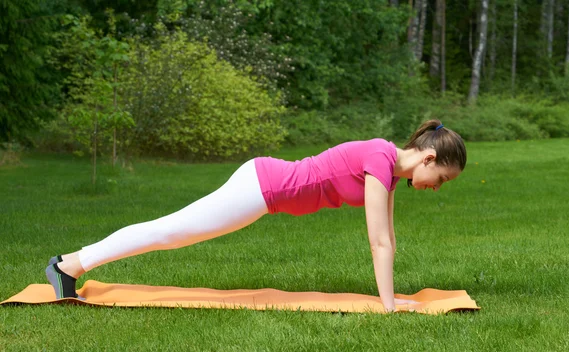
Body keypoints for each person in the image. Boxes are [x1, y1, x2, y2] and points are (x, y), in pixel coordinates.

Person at [45, 119, 466, 313]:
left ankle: (71, 264)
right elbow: (377, 243)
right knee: (171, 231)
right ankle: (68, 265)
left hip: (264, 188)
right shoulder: (379, 159)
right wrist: (390, 308)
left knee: (171, 231)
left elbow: (387, 240)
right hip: (262, 187)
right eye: (442, 178)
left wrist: (393, 302)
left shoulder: (388, 174)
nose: (437, 187)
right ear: (428, 158)